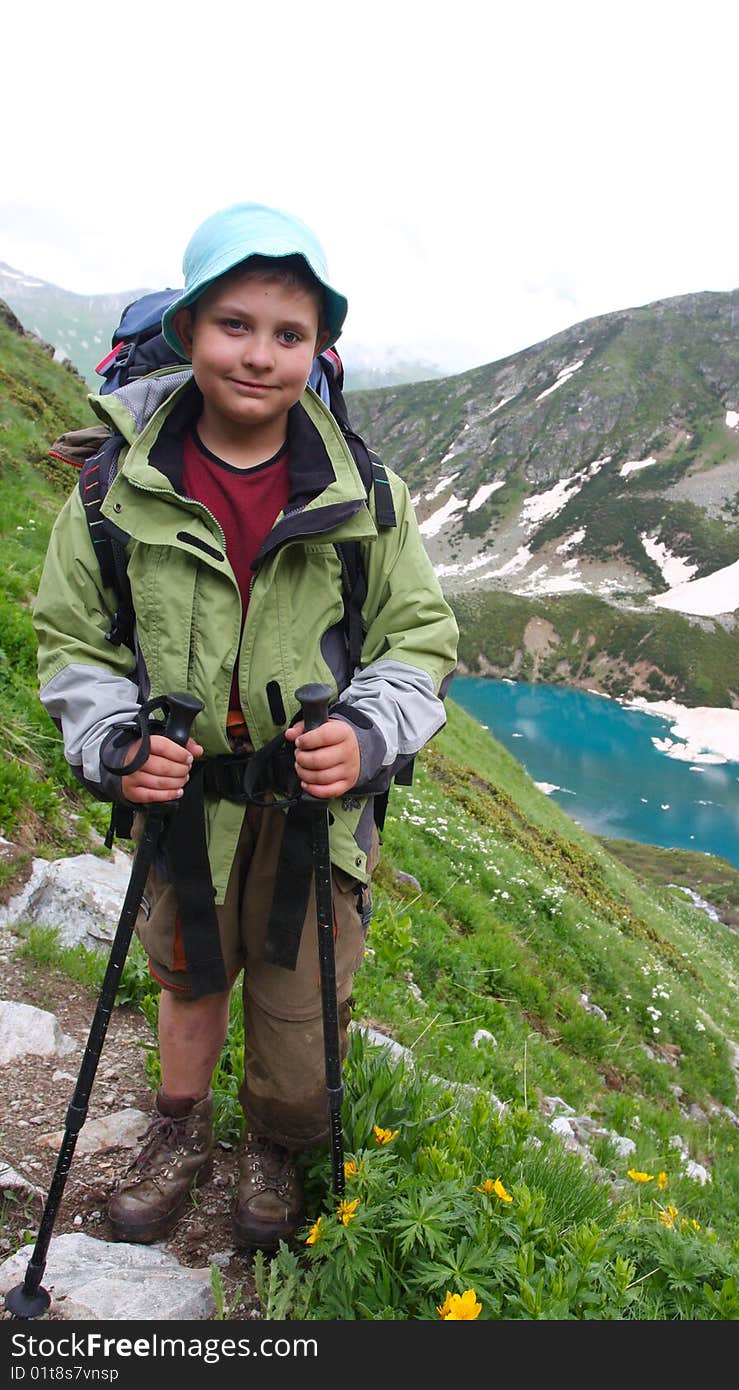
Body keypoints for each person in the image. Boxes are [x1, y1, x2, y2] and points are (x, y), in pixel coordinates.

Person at [34, 201, 459, 1252]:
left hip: (317, 796)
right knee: (187, 968)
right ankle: (180, 1131)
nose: (259, 354)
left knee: (302, 994)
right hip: (180, 789)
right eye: (234, 324)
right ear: (187, 330)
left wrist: (366, 733)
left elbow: (418, 639)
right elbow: (73, 643)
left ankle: (277, 1143)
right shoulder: (109, 491)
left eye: (287, 334)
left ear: (319, 349)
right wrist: (114, 745)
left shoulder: (369, 496)